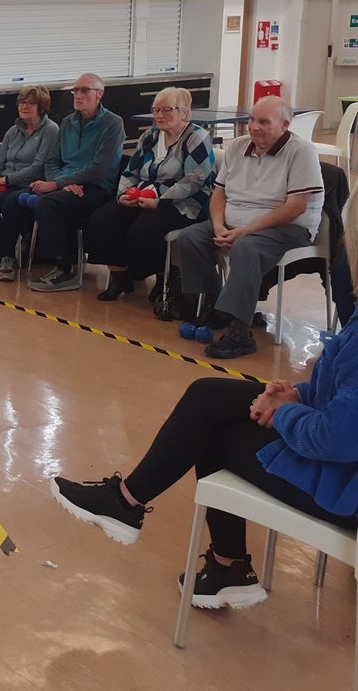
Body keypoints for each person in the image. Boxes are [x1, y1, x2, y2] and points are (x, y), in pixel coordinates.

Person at [51, 193, 358, 610]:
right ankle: (131, 505)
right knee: (209, 395)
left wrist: (286, 411)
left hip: (346, 488)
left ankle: (213, 557)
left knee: (212, 432)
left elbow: (336, 439)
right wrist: (295, 396)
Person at [177, 95, 323, 359]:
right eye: (252, 120)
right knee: (190, 237)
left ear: (284, 125)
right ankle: (215, 305)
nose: (255, 127)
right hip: (235, 222)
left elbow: (296, 207)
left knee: (246, 247)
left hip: (286, 227)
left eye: (264, 122)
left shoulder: (302, 151)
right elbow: (219, 194)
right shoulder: (238, 146)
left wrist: (247, 230)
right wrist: (218, 225)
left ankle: (239, 331)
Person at [84, 86, 215, 302]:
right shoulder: (149, 136)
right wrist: (123, 195)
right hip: (143, 196)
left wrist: (160, 201)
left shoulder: (196, 136)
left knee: (144, 230)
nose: (159, 115)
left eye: (167, 109)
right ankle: (120, 276)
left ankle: (162, 279)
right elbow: (130, 172)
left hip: (183, 202)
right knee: (103, 219)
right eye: (156, 110)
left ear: (184, 112)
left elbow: (195, 179)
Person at [25, 73, 125, 292]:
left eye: (84, 90)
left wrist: (57, 184)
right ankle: (19, 255)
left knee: (47, 204)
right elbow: (53, 160)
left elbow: (99, 167)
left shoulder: (113, 123)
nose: (78, 95)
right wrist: (60, 183)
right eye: (76, 90)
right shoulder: (68, 122)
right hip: (67, 184)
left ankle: (64, 267)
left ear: (99, 94)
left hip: (97, 186)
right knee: (20, 197)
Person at [0, 86, 60, 281]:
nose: (24, 106)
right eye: (21, 102)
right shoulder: (12, 131)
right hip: (6, 181)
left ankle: (7, 255)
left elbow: (38, 167)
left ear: (41, 107)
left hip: (29, 183)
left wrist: (4, 180)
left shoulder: (50, 130)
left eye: (30, 103)